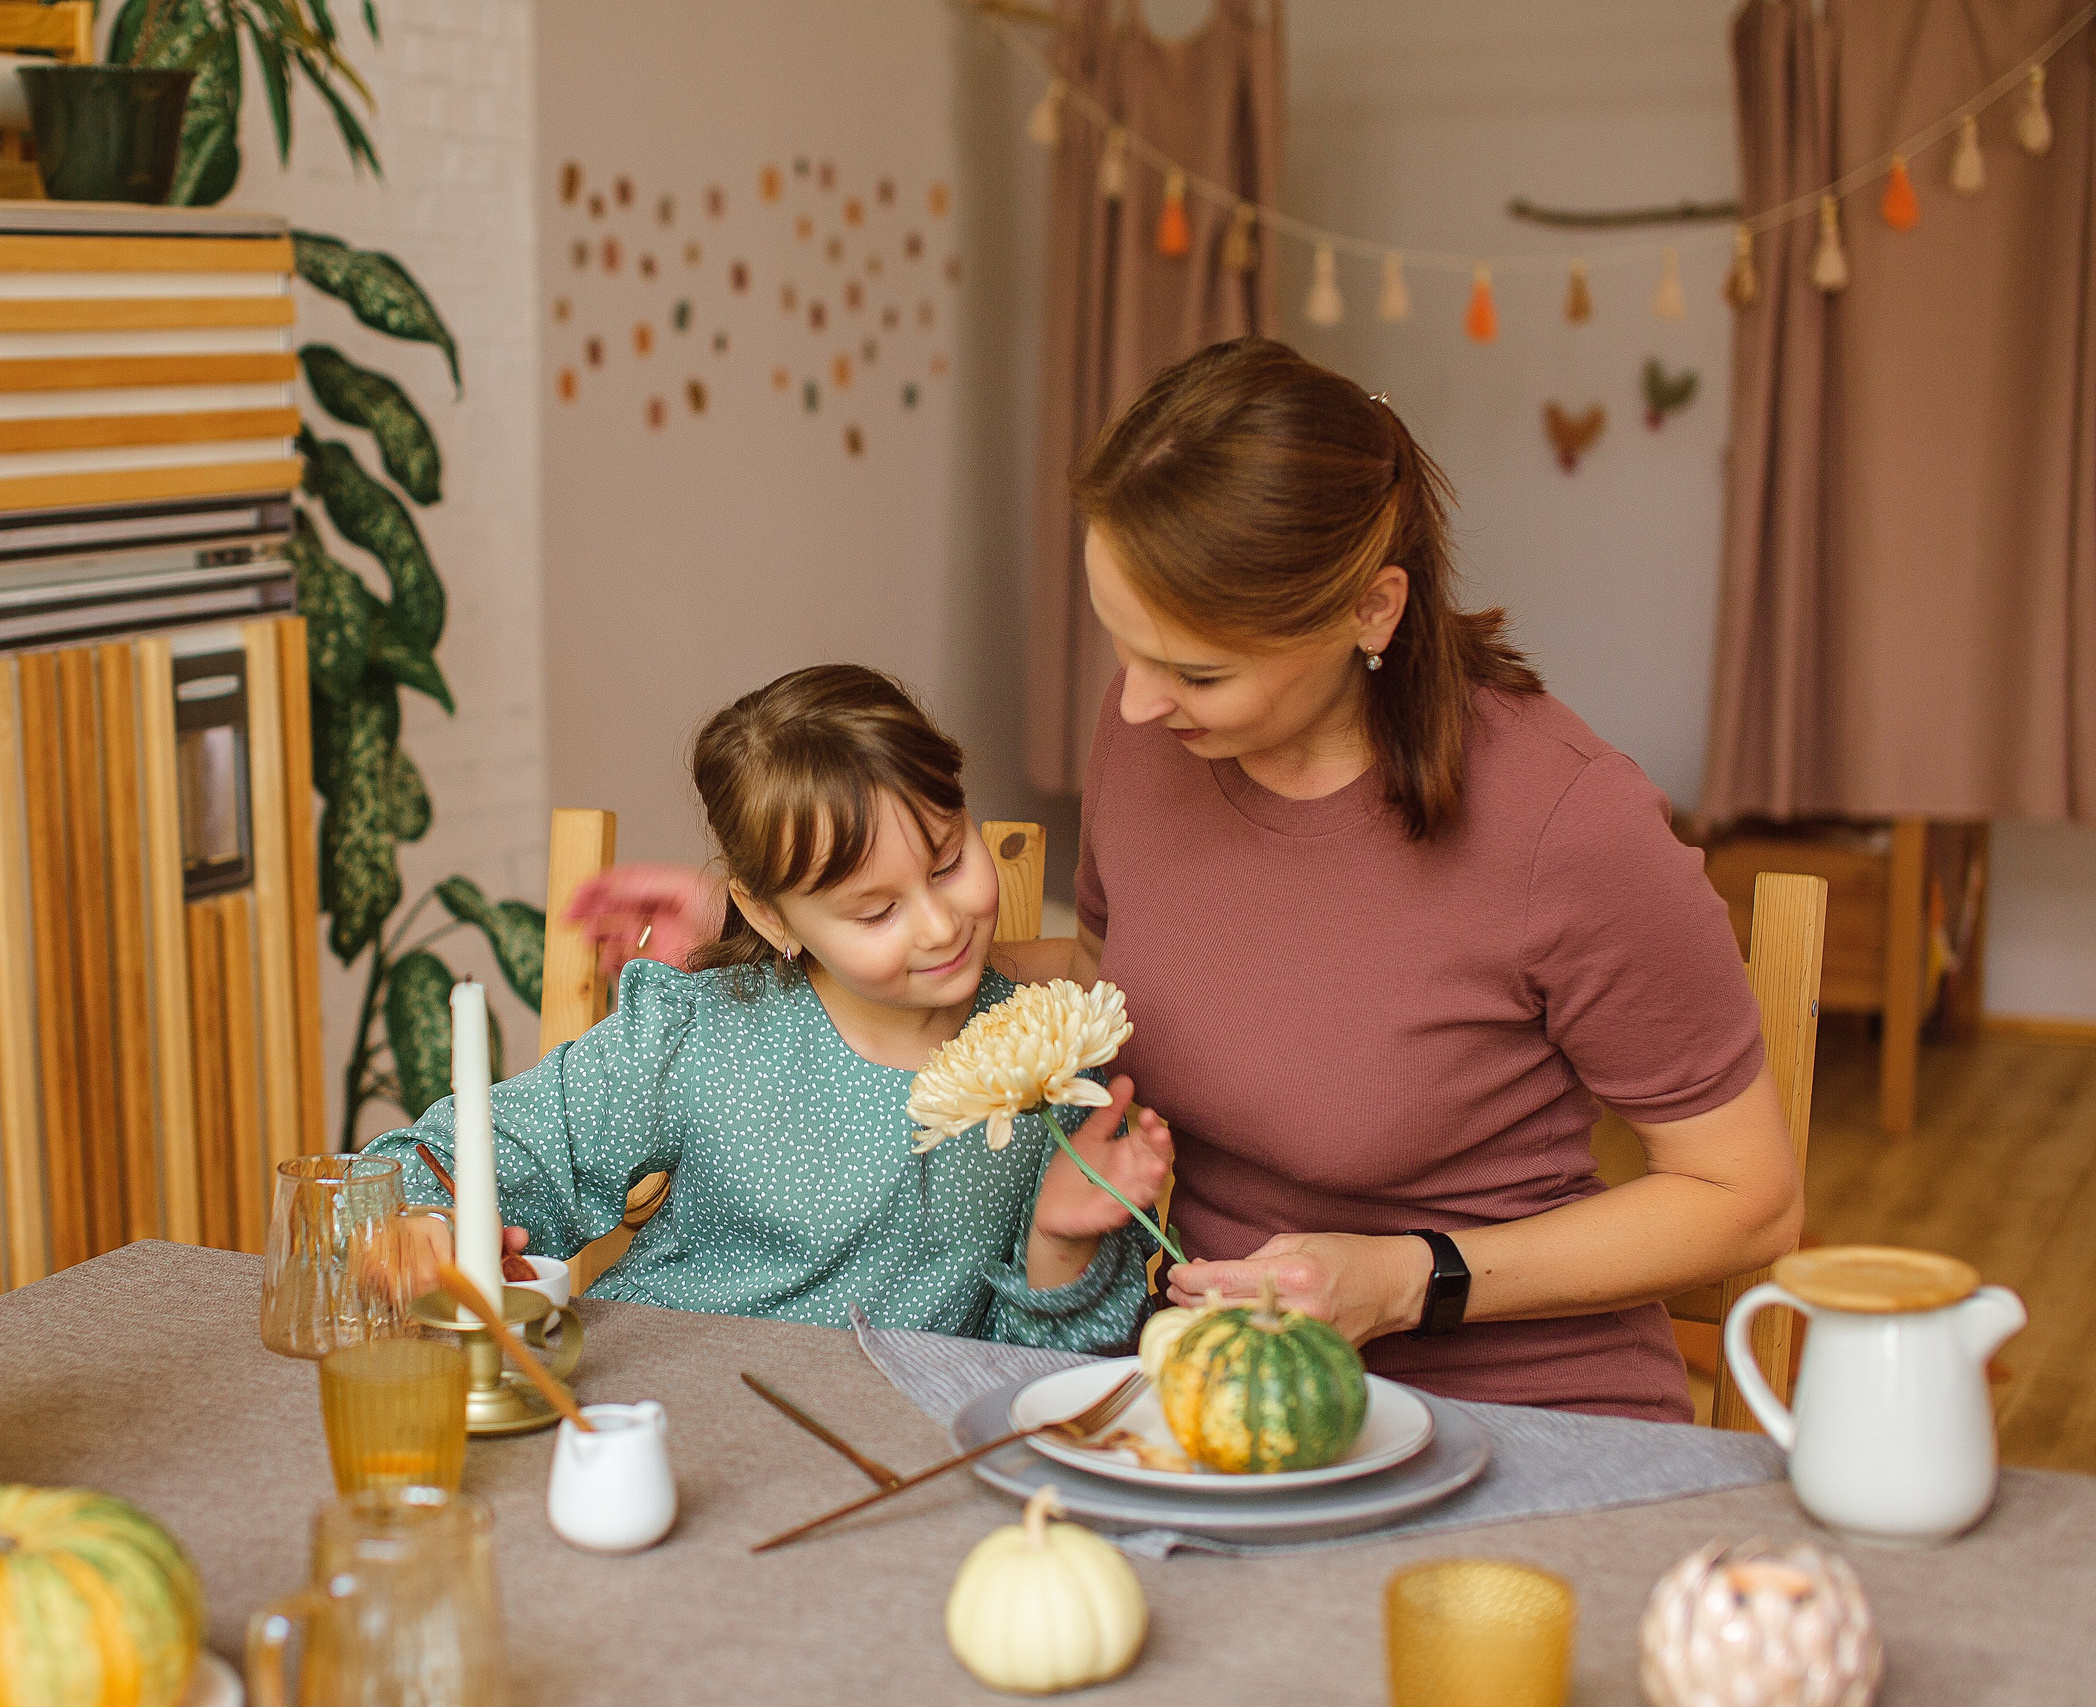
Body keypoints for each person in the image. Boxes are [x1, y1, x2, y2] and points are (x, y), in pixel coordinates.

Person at [574, 340, 1803, 1422]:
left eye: (1199, 672)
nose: (1142, 701)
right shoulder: (1152, 729)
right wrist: (790, 943)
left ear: (1370, 612)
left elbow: (1744, 1201)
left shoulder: (1565, 825)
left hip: (1503, 1405)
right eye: (1123, 641)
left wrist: (1408, 1279)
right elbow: (1129, 983)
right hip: (1186, 1390)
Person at [373, 664, 1172, 1350]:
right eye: (874, 912)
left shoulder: (1053, 1064)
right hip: (663, 1420)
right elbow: (466, 1152)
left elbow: (1050, 1381)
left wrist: (1058, 1245)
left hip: (887, 1474)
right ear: (770, 916)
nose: (939, 926)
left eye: (949, 860)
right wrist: (428, 1220)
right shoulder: (696, 1033)